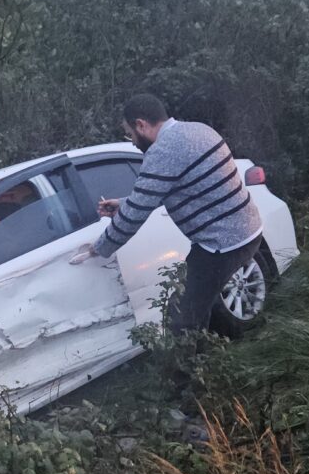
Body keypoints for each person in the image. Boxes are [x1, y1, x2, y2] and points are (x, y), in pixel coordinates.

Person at [76, 94, 264, 335]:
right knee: (195, 308)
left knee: (179, 319)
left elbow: (134, 217)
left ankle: (190, 359)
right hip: (247, 229)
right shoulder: (198, 129)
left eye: (130, 135)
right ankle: (208, 352)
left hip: (222, 245)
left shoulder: (163, 152)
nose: (132, 142)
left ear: (141, 125)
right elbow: (178, 188)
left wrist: (98, 248)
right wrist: (124, 203)